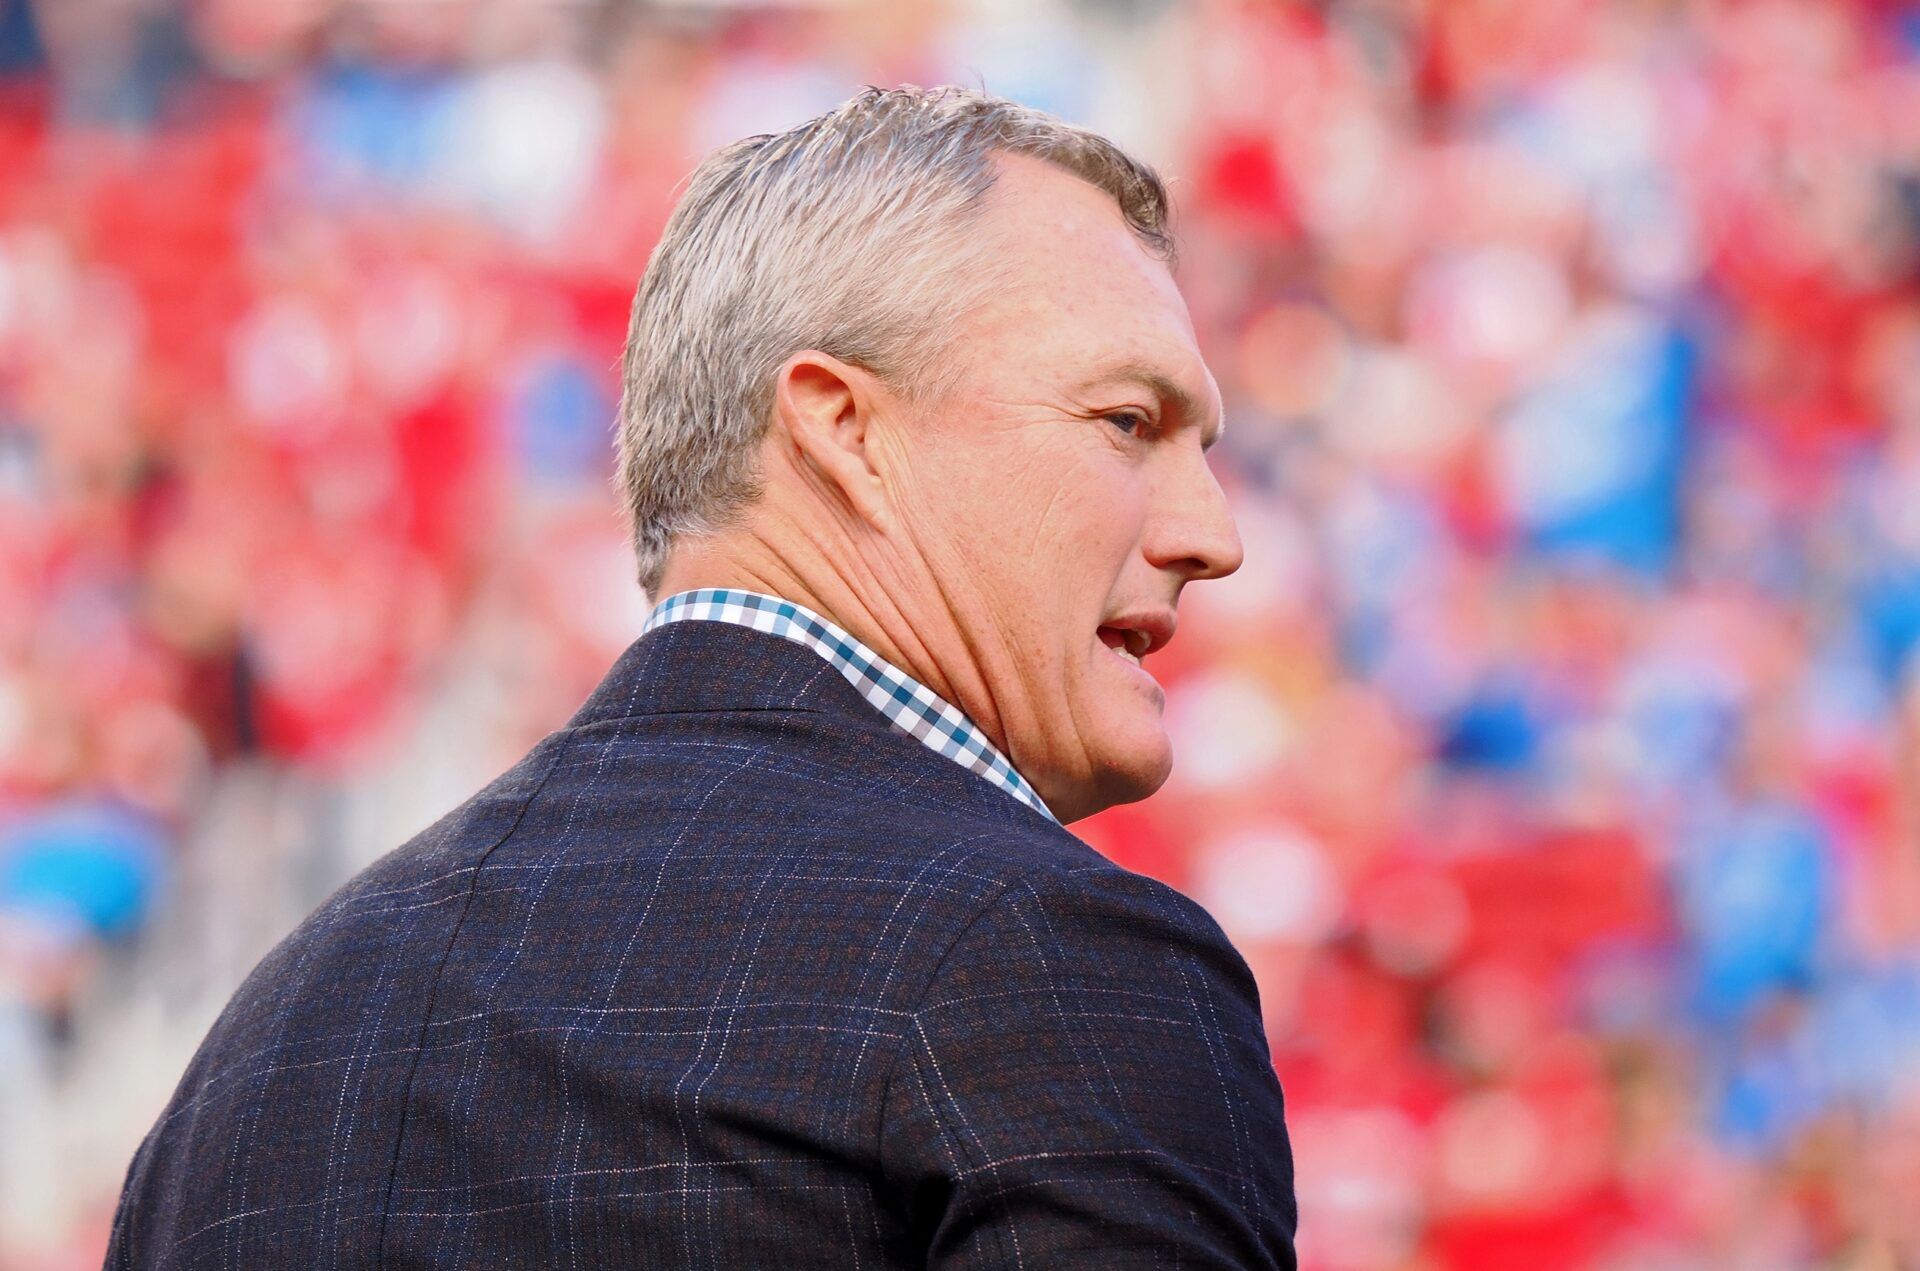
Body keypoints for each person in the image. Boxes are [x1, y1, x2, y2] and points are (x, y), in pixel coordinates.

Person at [106, 85, 1297, 1268]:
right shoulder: (1046, 961)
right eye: (1130, 422)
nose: (1213, 531)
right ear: (844, 429)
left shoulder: (258, 1052)